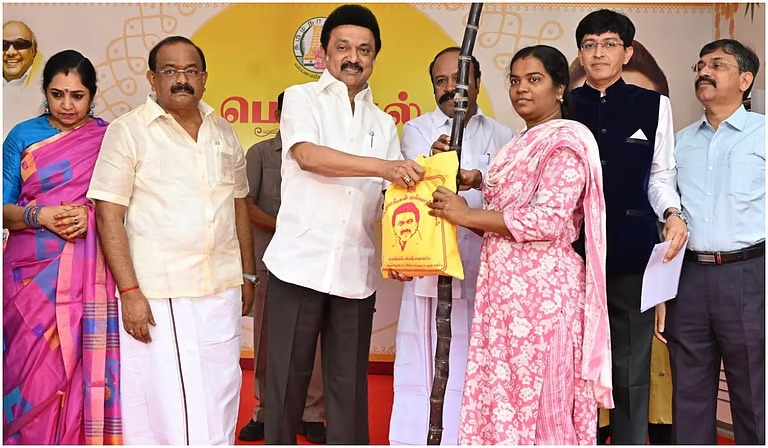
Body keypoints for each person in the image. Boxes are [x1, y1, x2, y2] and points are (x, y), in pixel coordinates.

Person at [425, 44, 612, 444]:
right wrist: (469, 185)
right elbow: (502, 226)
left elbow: (546, 221)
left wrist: (466, 214)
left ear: (559, 88)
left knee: (546, 410)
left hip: (544, 300)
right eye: (515, 80)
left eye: (534, 79)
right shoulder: (516, 145)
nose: (521, 88)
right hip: (503, 299)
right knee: (504, 406)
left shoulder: (566, 142)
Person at [261, 4, 424, 444]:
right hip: (299, 263)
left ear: (375, 57)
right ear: (325, 53)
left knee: (349, 388)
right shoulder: (301, 98)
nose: (354, 58)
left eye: (364, 50)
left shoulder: (383, 123)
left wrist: (427, 186)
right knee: (285, 384)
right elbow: (308, 156)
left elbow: (389, 198)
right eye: (344, 47)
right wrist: (385, 167)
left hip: (355, 269)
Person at [86, 36, 255, 445]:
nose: (182, 79)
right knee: (167, 402)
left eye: (191, 71)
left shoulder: (222, 130)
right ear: (152, 78)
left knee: (221, 389)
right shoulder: (128, 131)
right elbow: (109, 214)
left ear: (205, 78)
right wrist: (129, 291)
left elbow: (238, 205)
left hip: (221, 287)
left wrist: (247, 275)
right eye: (170, 71)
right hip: (161, 294)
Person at [570, 9, 688, 444]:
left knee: (631, 364)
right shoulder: (563, 106)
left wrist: (672, 213)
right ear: (580, 54)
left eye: (609, 44)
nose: (598, 53)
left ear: (627, 51)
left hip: (631, 252)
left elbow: (660, 175)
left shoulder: (653, 105)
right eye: (589, 45)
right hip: (572, 254)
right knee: (570, 360)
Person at [389, 46, 513, 446]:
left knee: (479, 363)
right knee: (424, 364)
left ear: (477, 83)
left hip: (485, 269)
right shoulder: (418, 130)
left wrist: (477, 178)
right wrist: (434, 163)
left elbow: (508, 201)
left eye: (458, 80)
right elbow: (410, 192)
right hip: (432, 269)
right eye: (440, 81)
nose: (450, 89)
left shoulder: (504, 136)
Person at [3, 49, 122, 445]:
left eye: (77, 95)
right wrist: (41, 215)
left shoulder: (108, 138)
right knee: (27, 367)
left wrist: (90, 216)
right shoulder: (22, 136)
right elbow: (4, 208)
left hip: (88, 272)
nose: (67, 105)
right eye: (57, 94)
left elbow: (124, 204)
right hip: (28, 274)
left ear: (93, 95)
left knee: (80, 364)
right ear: (45, 93)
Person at [655, 39, 764, 445]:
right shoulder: (680, 142)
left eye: (717, 65)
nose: (704, 71)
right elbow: (665, 208)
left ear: (745, 79)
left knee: (754, 395)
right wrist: (663, 292)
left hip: (750, 275)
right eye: (700, 65)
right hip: (689, 278)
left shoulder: (763, 135)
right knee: (689, 396)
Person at [237, 92, 327, 444]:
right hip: (270, 261)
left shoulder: (323, 156)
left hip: (315, 262)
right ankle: (266, 410)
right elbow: (246, 206)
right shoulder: (260, 153)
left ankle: (312, 413)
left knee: (314, 341)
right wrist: (288, 228)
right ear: (278, 115)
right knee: (267, 340)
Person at [3, 20, 44, 139]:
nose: (10, 52)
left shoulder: (47, 87)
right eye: (3, 45)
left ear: (33, 50)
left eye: (20, 44)